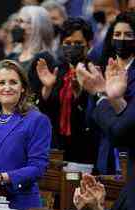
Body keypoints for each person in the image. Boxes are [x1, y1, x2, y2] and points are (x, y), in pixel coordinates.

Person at [0, 60, 51, 210]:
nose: (7, 88)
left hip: (19, 205)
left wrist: (3, 178)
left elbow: (38, 167)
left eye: (13, 82)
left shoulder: (37, 120)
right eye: (1, 83)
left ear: (23, 88)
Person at [31, 17, 97, 163]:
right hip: (55, 146)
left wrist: (78, 94)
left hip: (83, 148)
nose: (72, 47)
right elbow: (42, 111)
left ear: (89, 44)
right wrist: (47, 89)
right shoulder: (57, 70)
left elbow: (92, 116)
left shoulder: (95, 72)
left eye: (78, 43)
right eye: (67, 43)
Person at [83, 12, 135, 174]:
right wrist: (97, 93)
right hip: (104, 156)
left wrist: (109, 96)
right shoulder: (102, 70)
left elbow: (128, 121)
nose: (122, 39)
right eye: (117, 34)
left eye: (128, 35)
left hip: (128, 156)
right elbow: (91, 119)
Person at [8, 5, 54, 73]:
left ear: (35, 27)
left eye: (21, 21)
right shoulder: (11, 56)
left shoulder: (44, 59)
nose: (15, 25)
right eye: (16, 21)